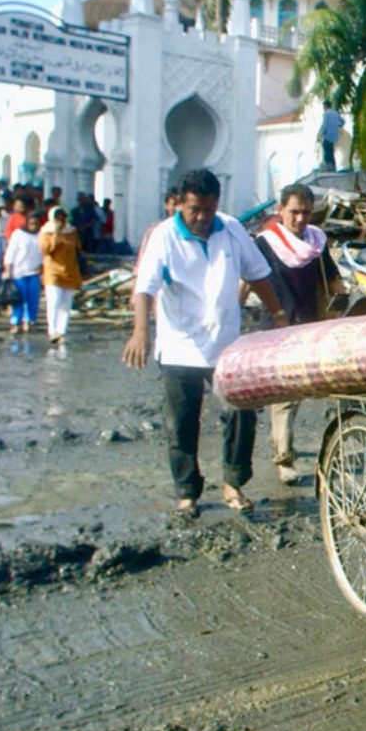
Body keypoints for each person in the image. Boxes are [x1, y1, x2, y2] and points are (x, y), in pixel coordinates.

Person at [122, 169, 287, 517]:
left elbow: (257, 275)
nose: (201, 218)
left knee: (241, 414)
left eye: (208, 210)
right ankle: (187, 492)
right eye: (194, 209)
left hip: (225, 344)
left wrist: (279, 314)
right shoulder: (164, 236)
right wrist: (140, 332)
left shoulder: (230, 229)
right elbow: (145, 288)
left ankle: (233, 482)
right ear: (181, 203)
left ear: (217, 204)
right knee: (181, 422)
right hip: (178, 345)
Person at [253, 182, 338, 483]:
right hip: (279, 325)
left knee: (312, 391)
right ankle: (284, 458)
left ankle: (282, 442)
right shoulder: (266, 244)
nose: (300, 219)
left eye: (305, 213)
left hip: (310, 323)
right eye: (293, 212)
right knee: (286, 394)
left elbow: (331, 279)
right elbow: (257, 281)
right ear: (280, 211)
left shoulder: (316, 242)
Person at [39, 205, 82, 345]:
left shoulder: (71, 231)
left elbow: (77, 249)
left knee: (66, 303)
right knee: (54, 301)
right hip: (53, 271)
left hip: (69, 270)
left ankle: (62, 331)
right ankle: (52, 331)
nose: (60, 221)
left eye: (62, 218)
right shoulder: (46, 232)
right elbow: (47, 250)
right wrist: (56, 234)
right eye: (57, 218)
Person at [2, 208, 44, 335]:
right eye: (31, 224)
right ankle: (16, 322)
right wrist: (8, 270)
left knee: (33, 299)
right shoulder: (18, 234)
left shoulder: (41, 235)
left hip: (34, 272)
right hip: (18, 272)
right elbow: (10, 253)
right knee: (19, 300)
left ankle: (30, 321)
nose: (34, 227)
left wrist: (42, 267)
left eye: (36, 224)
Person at [318, 100, 345, 169]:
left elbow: (324, 125)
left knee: (327, 153)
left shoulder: (326, 114)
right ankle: (333, 167)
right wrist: (338, 126)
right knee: (331, 152)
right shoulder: (335, 113)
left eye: (323, 106)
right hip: (334, 136)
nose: (323, 108)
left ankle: (329, 167)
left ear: (326, 106)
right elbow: (343, 121)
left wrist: (321, 134)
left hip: (327, 136)